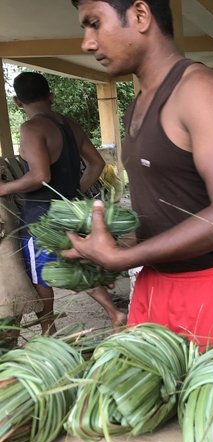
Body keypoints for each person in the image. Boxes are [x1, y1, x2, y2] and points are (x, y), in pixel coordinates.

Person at [66, 0, 213, 347]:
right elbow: (163, 209)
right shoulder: (136, 105)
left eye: (94, 23)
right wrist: (109, 248)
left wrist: (124, 258)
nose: (87, 43)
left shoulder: (199, 90)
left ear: (140, 15)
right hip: (155, 287)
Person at [0, 72, 125, 335]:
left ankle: (49, 330)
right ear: (50, 96)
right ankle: (114, 313)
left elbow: (39, 176)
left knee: (39, 275)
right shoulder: (71, 126)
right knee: (76, 262)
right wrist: (73, 192)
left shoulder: (31, 128)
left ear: (17, 102)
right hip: (71, 210)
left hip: (40, 216)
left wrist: (5, 188)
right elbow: (98, 163)